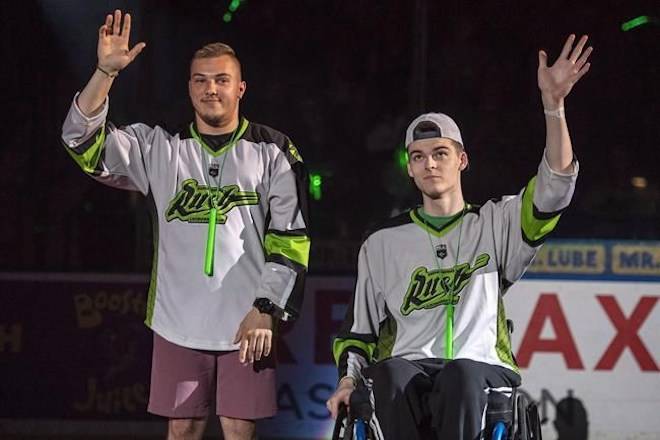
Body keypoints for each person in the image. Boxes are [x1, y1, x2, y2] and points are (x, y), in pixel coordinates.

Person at [327, 34, 592, 440]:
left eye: (440, 153)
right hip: (409, 369)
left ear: (462, 160)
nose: (429, 164)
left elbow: (555, 186)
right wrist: (348, 382)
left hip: (480, 368)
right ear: (410, 169)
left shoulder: (495, 222)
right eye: (418, 157)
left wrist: (553, 106)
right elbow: (358, 332)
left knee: (460, 374)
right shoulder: (381, 242)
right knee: (392, 373)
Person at [61, 10, 310, 440]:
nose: (210, 88)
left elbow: (291, 240)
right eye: (200, 80)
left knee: (238, 431)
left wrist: (266, 309)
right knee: (182, 431)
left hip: (247, 322)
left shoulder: (275, 151)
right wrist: (104, 73)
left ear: (241, 88)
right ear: (189, 88)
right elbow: (81, 143)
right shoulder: (160, 146)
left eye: (221, 80)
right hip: (178, 321)